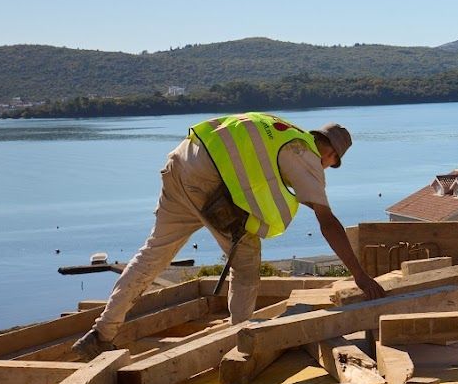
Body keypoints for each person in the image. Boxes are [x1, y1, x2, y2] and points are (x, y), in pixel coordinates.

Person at [72, 113, 384, 359]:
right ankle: (240, 342)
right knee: (246, 264)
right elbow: (327, 221)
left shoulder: (278, 129)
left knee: (152, 255)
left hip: (180, 164)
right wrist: (359, 275)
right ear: (329, 153)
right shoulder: (305, 154)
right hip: (208, 181)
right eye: (331, 164)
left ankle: (101, 333)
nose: (326, 169)